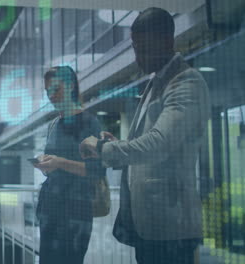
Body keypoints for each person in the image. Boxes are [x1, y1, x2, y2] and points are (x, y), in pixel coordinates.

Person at [79, 7, 210, 264]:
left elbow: (160, 144)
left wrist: (105, 149)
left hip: (171, 227)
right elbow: (154, 143)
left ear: (167, 41)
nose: (139, 58)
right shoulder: (157, 81)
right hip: (152, 225)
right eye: (136, 49)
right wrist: (117, 144)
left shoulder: (186, 82)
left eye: (145, 48)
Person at [34, 66, 104, 264]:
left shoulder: (89, 122)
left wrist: (60, 163)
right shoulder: (54, 125)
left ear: (71, 86)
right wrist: (47, 165)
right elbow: (56, 167)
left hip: (75, 213)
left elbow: (97, 170)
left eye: (56, 89)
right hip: (50, 210)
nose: (51, 95)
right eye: (48, 91)